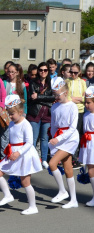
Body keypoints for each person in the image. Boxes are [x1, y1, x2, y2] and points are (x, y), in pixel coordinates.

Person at [0, 95, 42, 214]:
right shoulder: (11, 124)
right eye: (9, 114)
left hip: (24, 154)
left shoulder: (26, 124)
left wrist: (18, 152)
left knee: (25, 182)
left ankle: (33, 206)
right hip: (13, 153)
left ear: (20, 112)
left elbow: (30, 142)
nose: (10, 116)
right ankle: (7, 195)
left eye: (12, 114)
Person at [48, 77, 79, 209]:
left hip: (71, 139)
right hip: (60, 138)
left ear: (65, 92)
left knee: (52, 163)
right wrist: (53, 139)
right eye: (54, 94)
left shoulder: (72, 107)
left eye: (58, 94)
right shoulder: (55, 107)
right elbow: (54, 125)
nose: (56, 97)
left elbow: (72, 128)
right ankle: (74, 200)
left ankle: (62, 191)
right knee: (67, 169)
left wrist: (58, 139)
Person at [27, 62, 54, 169]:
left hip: (47, 114)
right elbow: (32, 97)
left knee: (44, 138)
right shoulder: (33, 82)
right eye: (41, 70)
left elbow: (53, 97)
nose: (43, 72)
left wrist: (39, 96)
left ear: (48, 71)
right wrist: (46, 99)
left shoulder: (51, 82)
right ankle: (32, 160)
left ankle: (43, 160)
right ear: (38, 71)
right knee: (33, 139)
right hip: (34, 114)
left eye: (45, 70)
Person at [67, 63, 86, 169]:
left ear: (79, 72)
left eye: (75, 72)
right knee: (70, 132)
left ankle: (75, 157)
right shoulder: (67, 82)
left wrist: (76, 98)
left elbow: (84, 97)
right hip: (70, 110)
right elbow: (67, 97)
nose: (73, 74)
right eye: (71, 72)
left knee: (77, 133)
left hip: (80, 110)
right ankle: (69, 156)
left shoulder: (82, 82)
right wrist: (75, 99)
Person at [79, 86, 94, 206]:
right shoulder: (85, 115)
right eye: (85, 103)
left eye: (89, 102)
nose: (86, 105)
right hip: (88, 143)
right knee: (91, 170)